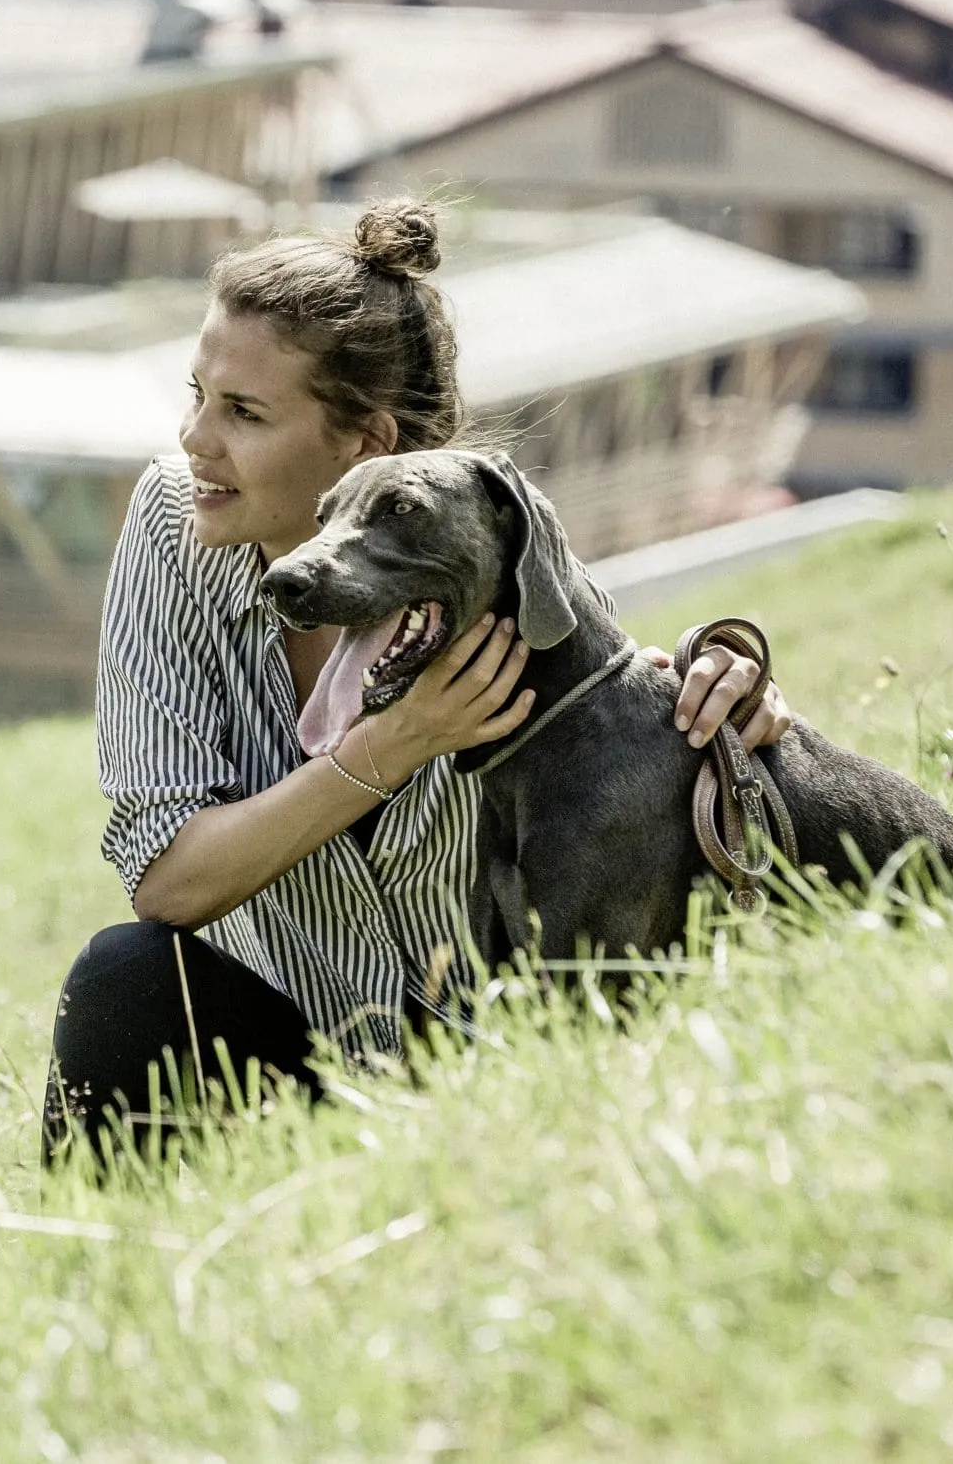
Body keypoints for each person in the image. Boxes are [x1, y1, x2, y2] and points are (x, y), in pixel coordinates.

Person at [44, 198, 792, 1162]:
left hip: (495, 1059)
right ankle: (113, 1281)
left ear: (365, 442)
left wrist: (733, 705)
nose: (196, 439)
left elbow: (636, 718)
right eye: (197, 395)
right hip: (301, 1035)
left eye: (244, 413)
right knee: (126, 978)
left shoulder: (494, 565)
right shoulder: (175, 523)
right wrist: (390, 746)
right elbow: (169, 881)